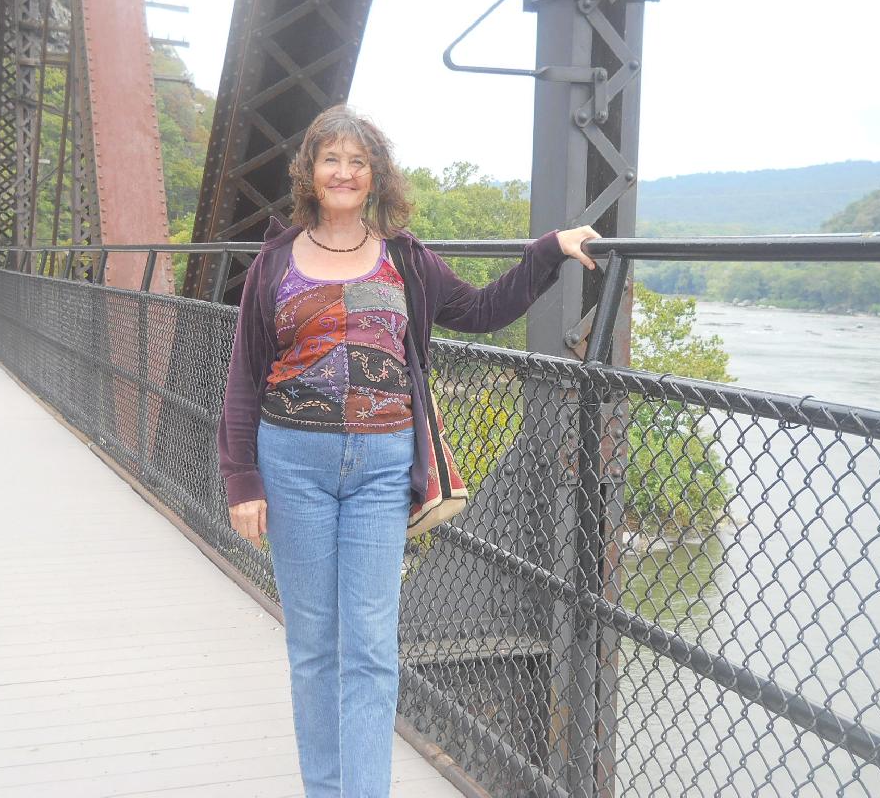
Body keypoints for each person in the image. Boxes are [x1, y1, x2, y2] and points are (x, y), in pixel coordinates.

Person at [216, 103, 599, 797]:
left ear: (375, 176)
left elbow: (480, 311)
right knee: (314, 646)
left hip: (382, 466)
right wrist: (242, 479)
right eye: (330, 160)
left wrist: (548, 249)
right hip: (292, 463)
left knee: (368, 645)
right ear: (309, 173)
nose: (343, 173)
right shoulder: (274, 262)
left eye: (357, 162)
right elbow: (245, 378)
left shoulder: (406, 259)